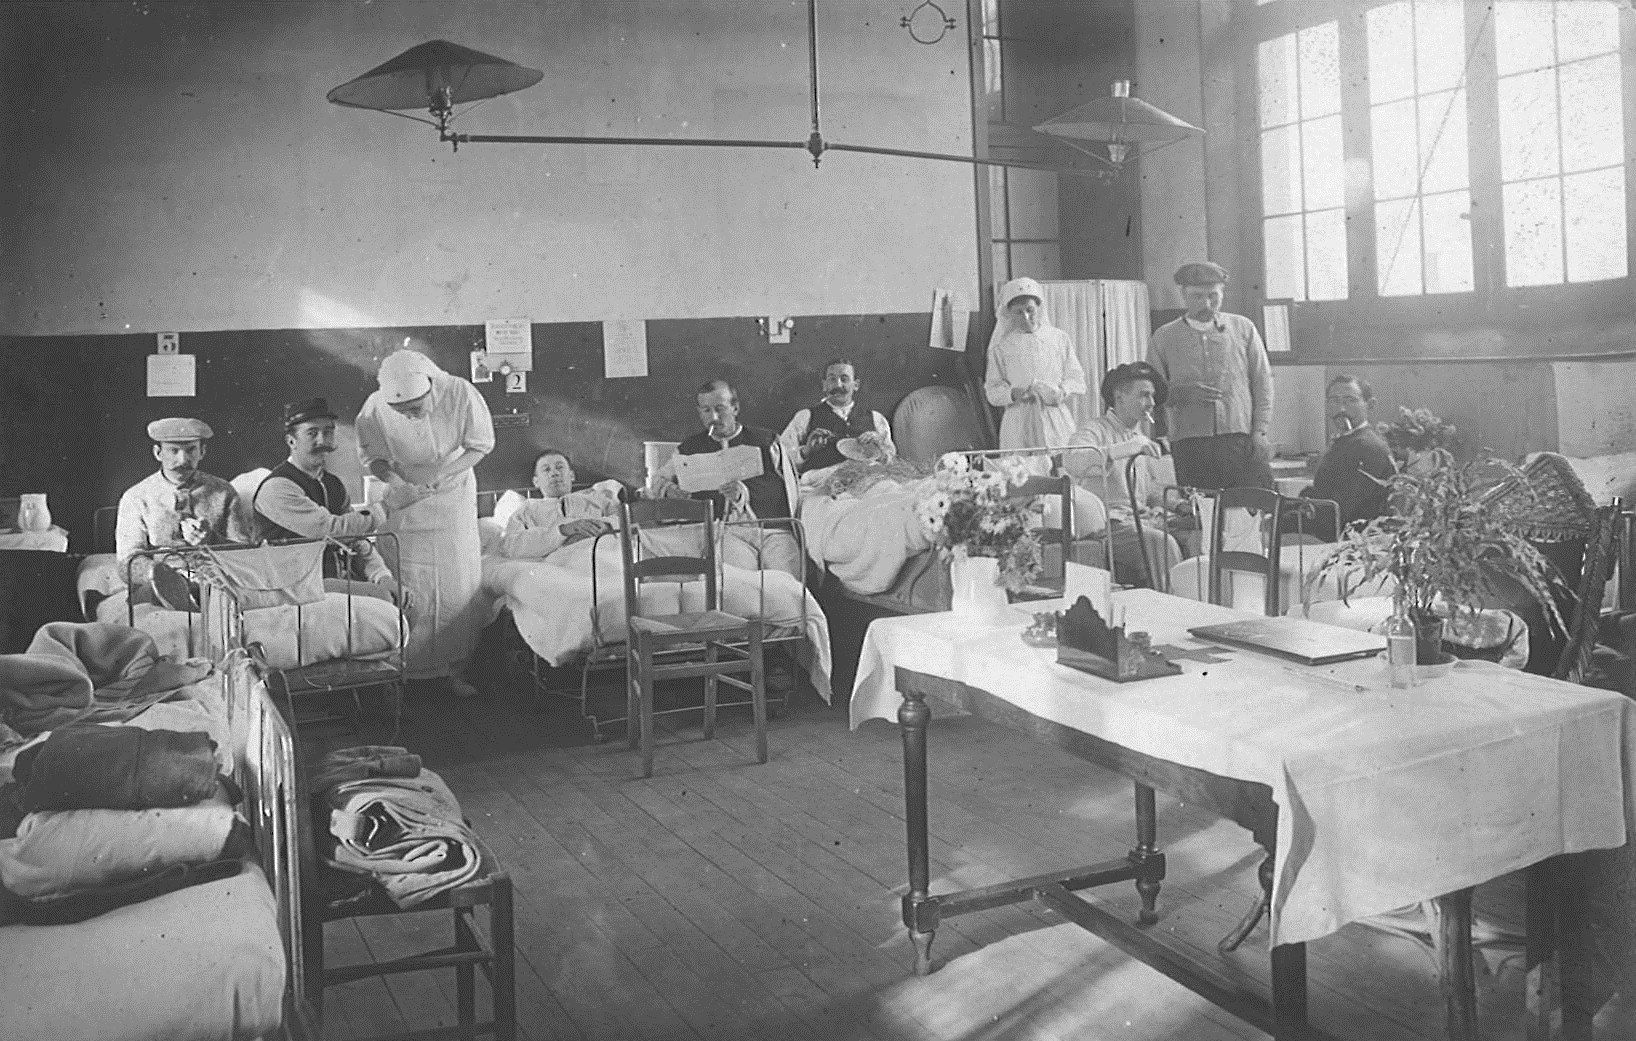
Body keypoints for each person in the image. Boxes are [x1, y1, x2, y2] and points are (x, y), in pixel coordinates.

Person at [356, 348, 495, 699]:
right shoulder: (374, 407)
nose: (411, 416)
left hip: (453, 494)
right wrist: (397, 482)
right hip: (403, 499)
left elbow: (480, 445)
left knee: (455, 587)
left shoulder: (460, 393)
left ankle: (453, 669)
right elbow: (373, 457)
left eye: (416, 408)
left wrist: (444, 474)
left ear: (431, 386)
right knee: (409, 585)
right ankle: (399, 672)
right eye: (402, 412)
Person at [649, 379, 800, 577]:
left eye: (720, 409)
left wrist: (744, 493)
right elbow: (656, 481)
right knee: (736, 582)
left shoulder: (767, 441)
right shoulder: (689, 448)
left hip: (773, 530)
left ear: (735, 408)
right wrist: (669, 490)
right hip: (730, 533)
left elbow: (790, 489)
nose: (713, 417)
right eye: (706, 410)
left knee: (786, 582)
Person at [252, 396, 407, 589]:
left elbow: (356, 540)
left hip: (328, 587)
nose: (322, 441)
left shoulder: (333, 484)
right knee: (382, 599)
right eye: (312, 433)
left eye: (328, 432)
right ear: (291, 441)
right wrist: (386, 507)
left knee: (394, 594)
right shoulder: (277, 488)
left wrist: (382, 576)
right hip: (290, 589)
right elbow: (332, 530)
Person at [1147, 262, 1274, 491]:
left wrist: (1260, 432)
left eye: (1213, 296)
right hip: (1189, 444)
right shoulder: (1164, 337)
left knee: (1246, 505)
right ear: (1183, 295)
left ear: (1222, 293)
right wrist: (1180, 394)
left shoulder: (1243, 329)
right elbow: (1150, 392)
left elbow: (1262, 382)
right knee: (1200, 506)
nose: (1206, 304)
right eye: (1197, 296)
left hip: (1238, 439)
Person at [1063, 363, 1182, 588]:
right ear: (1119, 397)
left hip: (1142, 520)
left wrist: (1179, 505)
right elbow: (1072, 461)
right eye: (1144, 395)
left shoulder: (1140, 436)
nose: (1152, 403)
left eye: (1152, 396)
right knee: (1161, 543)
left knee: (1197, 534)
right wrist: (1118, 451)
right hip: (1108, 526)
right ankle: (1171, 603)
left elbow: (1149, 492)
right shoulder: (1094, 430)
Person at [115, 417, 251, 603]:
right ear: (158, 453)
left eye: (191, 450)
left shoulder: (223, 492)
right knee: (149, 597)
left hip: (217, 579)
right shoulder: (137, 497)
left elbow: (245, 553)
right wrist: (165, 577)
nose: (183, 459)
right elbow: (128, 562)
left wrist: (211, 539)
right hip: (162, 582)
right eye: (174, 451)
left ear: (202, 452)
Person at [983, 277, 1087, 450]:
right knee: (1021, 465)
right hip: (1019, 420)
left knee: (1059, 461)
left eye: (1030, 310)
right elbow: (992, 389)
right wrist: (1012, 393)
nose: (1026, 317)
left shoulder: (1059, 339)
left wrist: (1062, 391)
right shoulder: (1001, 347)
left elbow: (1076, 377)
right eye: (1018, 312)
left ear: (1039, 308)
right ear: (1009, 314)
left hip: (1054, 416)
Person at [500, 448, 624, 560]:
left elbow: (623, 521)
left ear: (571, 475)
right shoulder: (528, 509)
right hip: (556, 567)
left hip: (600, 557)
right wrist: (562, 531)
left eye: (559, 467)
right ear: (536, 481)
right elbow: (510, 546)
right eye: (546, 469)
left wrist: (606, 526)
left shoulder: (595, 497)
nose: (554, 473)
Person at [1306, 375, 1393, 532]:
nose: (1341, 409)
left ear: (1370, 405)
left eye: (1350, 401)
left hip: (1357, 537)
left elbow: (1345, 510)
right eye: (1334, 400)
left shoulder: (1369, 447)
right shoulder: (1344, 441)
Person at [778, 359, 896, 474]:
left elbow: (891, 461)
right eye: (832, 379)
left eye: (844, 379)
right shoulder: (805, 416)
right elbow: (781, 458)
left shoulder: (876, 418)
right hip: (821, 482)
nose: (838, 385)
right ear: (824, 385)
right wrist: (806, 450)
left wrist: (880, 446)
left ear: (856, 385)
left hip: (866, 482)